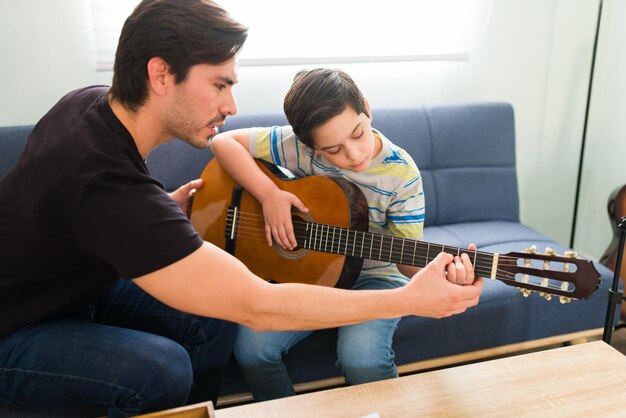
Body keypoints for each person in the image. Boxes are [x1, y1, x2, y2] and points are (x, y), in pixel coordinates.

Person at [0, 0, 483, 416]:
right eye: (219, 85)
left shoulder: (87, 105)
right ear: (161, 74)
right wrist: (409, 299)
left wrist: (146, 224)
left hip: (70, 286)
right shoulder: (111, 190)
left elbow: (79, 211)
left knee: (211, 319)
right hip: (16, 324)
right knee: (162, 368)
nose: (232, 105)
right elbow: (258, 304)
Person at [209, 68, 480, 401]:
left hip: (377, 279)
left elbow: (407, 260)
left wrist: (446, 274)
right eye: (333, 150)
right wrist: (269, 194)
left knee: (362, 359)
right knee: (252, 350)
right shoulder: (297, 148)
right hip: (309, 277)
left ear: (366, 108)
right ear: (310, 145)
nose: (353, 155)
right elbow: (222, 141)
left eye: (358, 133)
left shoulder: (401, 174)